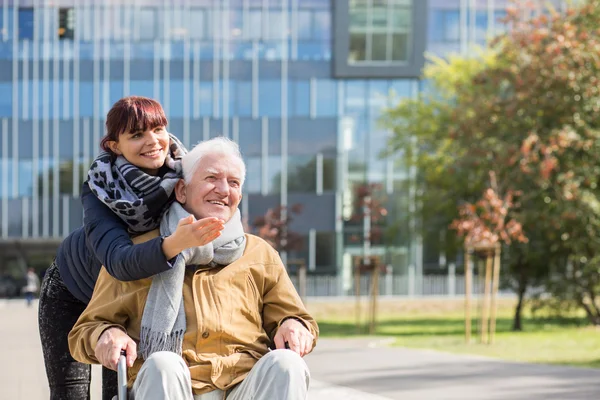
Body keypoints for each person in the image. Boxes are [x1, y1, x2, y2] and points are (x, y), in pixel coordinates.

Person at [69, 137, 318, 400]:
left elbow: (297, 317)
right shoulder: (140, 253)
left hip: (243, 386)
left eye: (233, 183)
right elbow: (85, 330)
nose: (223, 190)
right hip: (168, 385)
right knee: (163, 363)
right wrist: (106, 333)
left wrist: (294, 324)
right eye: (212, 178)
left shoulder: (258, 253)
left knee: (286, 365)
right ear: (181, 191)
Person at [38, 97, 225, 400]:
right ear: (114, 145)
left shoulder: (186, 175)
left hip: (131, 300)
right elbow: (119, 261)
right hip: (74, 291)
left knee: (124, 391)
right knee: (71, 394)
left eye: (158, 129)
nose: (153, 141)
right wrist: (176, 243)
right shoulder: (100, 187)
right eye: (137, 135)